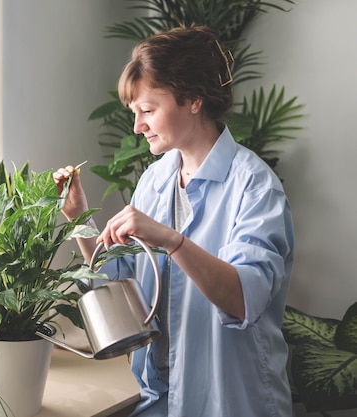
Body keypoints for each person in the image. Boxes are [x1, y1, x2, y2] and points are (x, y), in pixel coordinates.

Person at [54, 26, 294, 417]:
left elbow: (243, 300)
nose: (137, 126)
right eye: (135, 113)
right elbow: (125, 289)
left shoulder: (255, 188)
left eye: (148, 110)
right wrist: (78, 219)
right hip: (159, 396)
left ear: (194, 100)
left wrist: (172, 240)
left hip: (230, 400)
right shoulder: (155, 179)